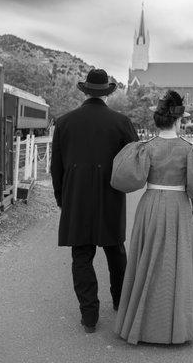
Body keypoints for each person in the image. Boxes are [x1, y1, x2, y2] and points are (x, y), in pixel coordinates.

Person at [111, 90, 193, 344]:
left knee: (146, 259)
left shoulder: (144, 149)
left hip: (149, 206)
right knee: (175, 263)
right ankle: (175, 324)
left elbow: (125, 180)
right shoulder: (190, 151)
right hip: (178, 206)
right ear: (179, 121)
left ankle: (141, 322)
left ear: (157, 120)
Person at [50, 68, 138, 333]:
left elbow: (56, 168)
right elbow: (134, 161)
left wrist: (61, 198)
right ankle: (121, 304)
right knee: (115, 251)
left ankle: (89, 316)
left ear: (85, 91)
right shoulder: (121, 122)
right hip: (110, 195)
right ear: (107, 94)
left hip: (76, 197)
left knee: (81, 255)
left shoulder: (64, 122)